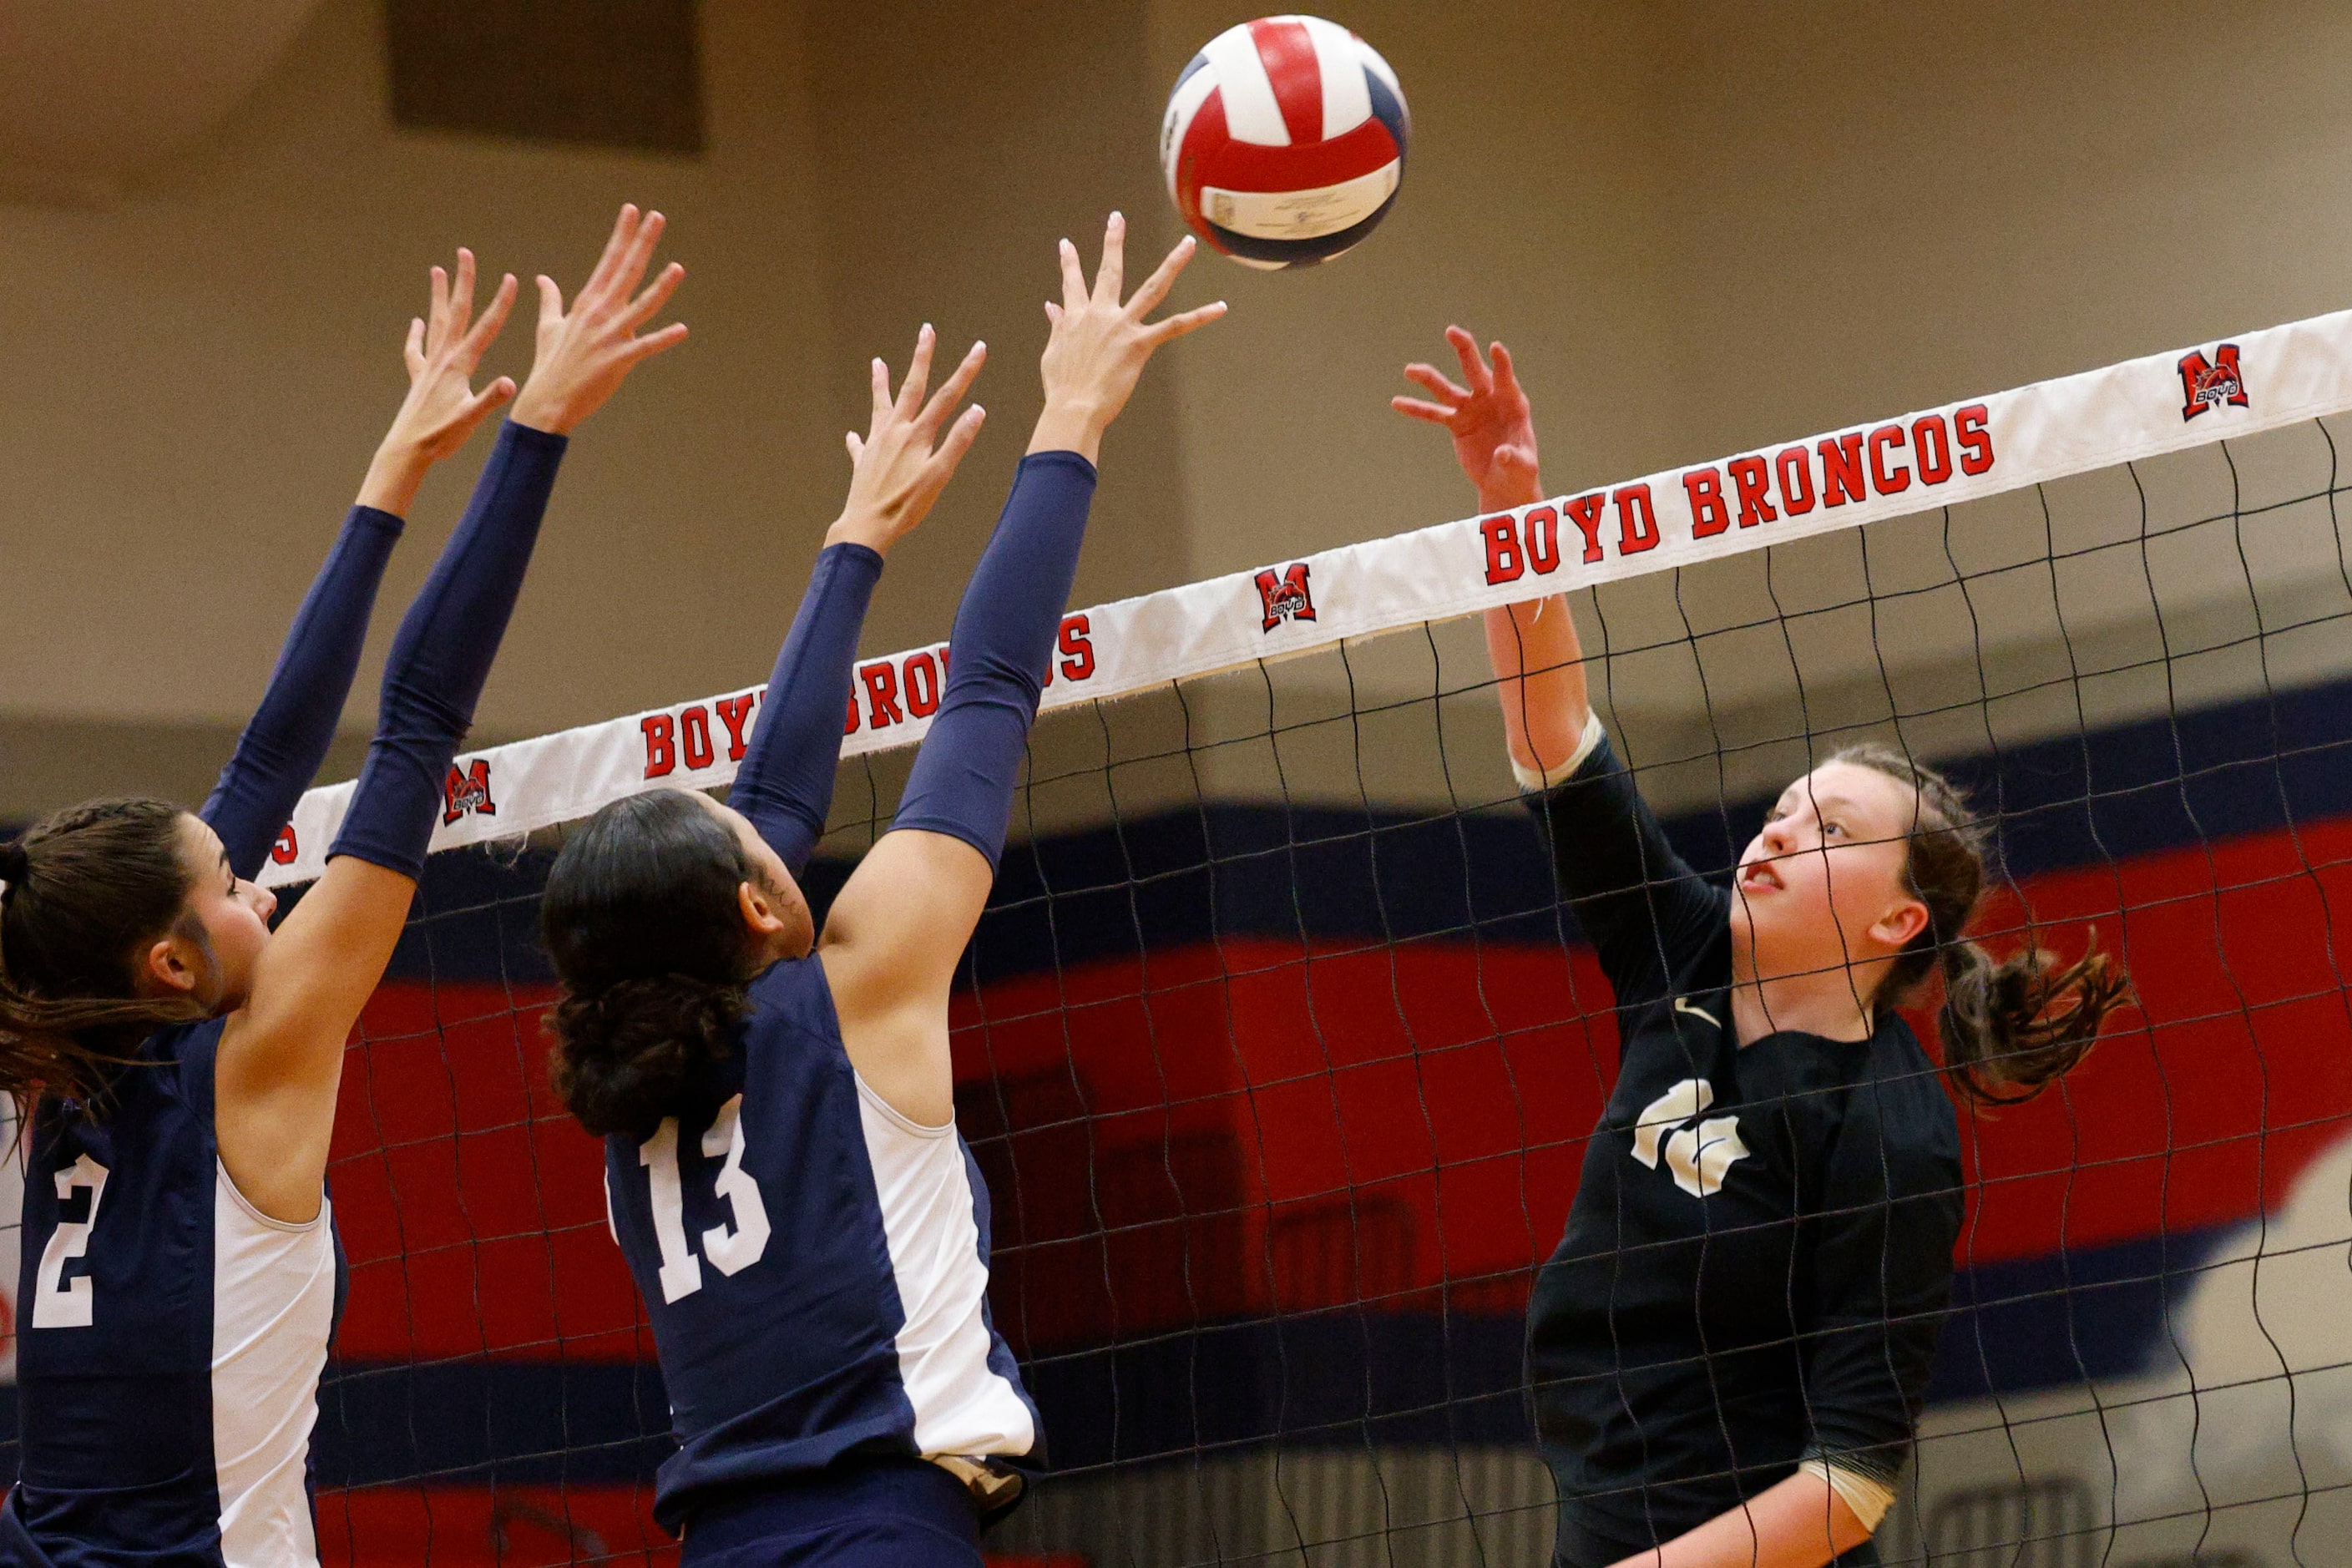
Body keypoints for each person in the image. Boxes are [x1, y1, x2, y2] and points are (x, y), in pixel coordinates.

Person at [0, 204, 686, 1567]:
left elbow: (266, 758)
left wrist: (394, 470)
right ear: (169, 963)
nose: (262, 887)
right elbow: (417, 719)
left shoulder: (40, 1079)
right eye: (235, 889)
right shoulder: (257, 1068)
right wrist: (533, 430)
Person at [538, 213, 1223, 1565]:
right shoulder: (858, 983)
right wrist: (1073, 410)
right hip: (876, 1534)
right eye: (733, 833)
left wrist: (856, 539)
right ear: (753, 905)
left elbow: (772, 811)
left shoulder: (630, 1077)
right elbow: (988, 690)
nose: (755, 816)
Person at [1393, 329, 2127, 1568]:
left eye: (1829, 828)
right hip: (1605, 1517)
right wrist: (1511, 506)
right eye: (1782, 805)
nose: (1779, 830)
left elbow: (1846, 1483)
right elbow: (1554, 735)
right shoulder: (1682, 950)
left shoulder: (1887, 1130)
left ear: (1901, 920)